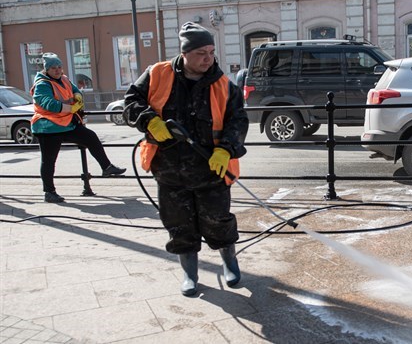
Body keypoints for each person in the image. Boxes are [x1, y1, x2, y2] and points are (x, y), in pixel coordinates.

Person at [123, 22, 249, 296]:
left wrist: (225, 149)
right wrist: (148, 121)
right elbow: (131, 101)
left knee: (218, 220)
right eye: (201, 52)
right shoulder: (157, 74)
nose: (208, 58)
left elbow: (238, 121)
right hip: (169, 170)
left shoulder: (225, 85)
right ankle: (190, 273)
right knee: (179, 224)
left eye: (212, 51)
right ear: (184, 53)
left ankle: (230, 262)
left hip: (211, 169)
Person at [30, 53, 126, 203]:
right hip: (48, 126)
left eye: (59, 67)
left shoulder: (64, 78)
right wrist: (71, 108)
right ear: (47, 69)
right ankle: (49, 192)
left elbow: (75, 90)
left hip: (66, 123)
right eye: (53, 68)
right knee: (49, 161)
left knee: (90, 137)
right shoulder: (42, 84)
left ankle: (107, 167)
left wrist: (78, 95)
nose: (57, 70)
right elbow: (48, 103)